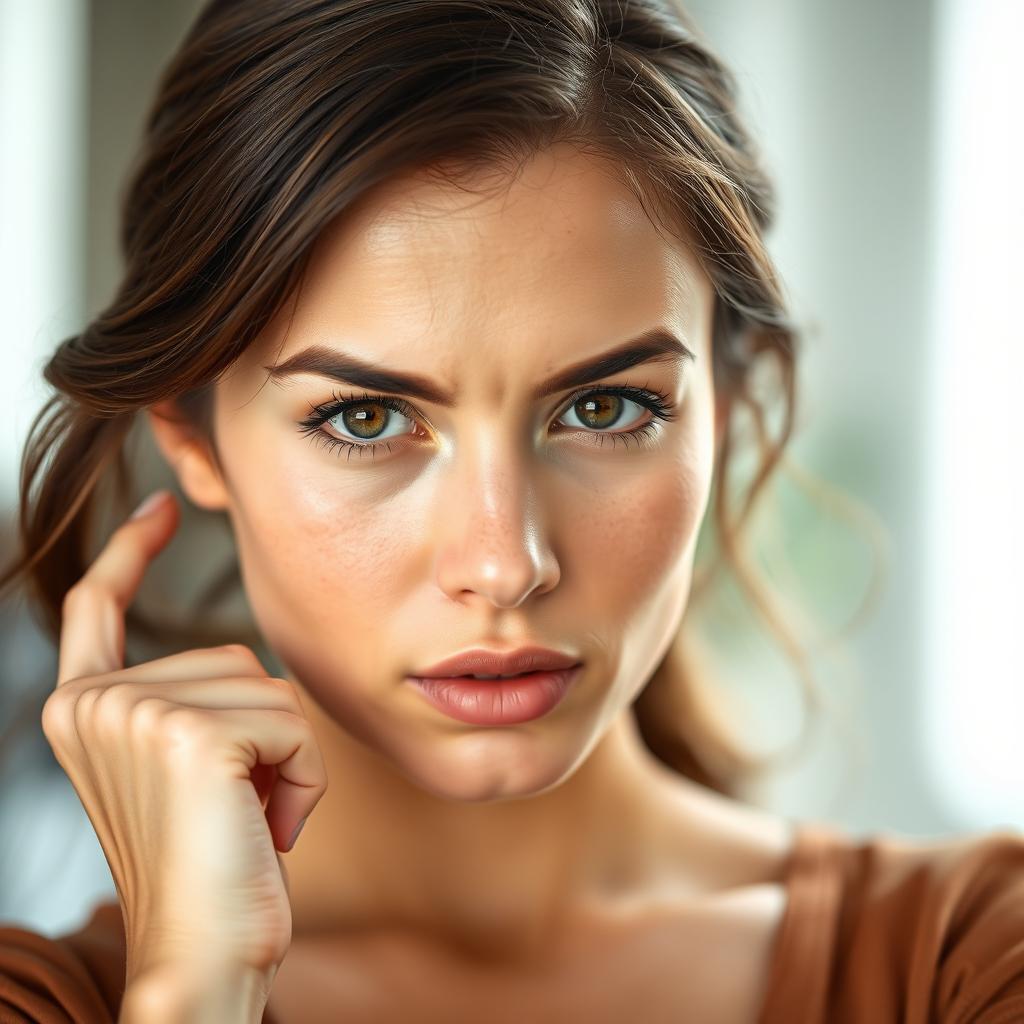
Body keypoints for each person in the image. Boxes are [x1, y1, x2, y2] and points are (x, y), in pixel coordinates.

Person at [0, 1, 1022, 1021]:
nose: (504, 563)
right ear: (193, 438)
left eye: (604, 407)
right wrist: (190, 990)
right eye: (365, 417)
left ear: (728, 405)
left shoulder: (968, 957)